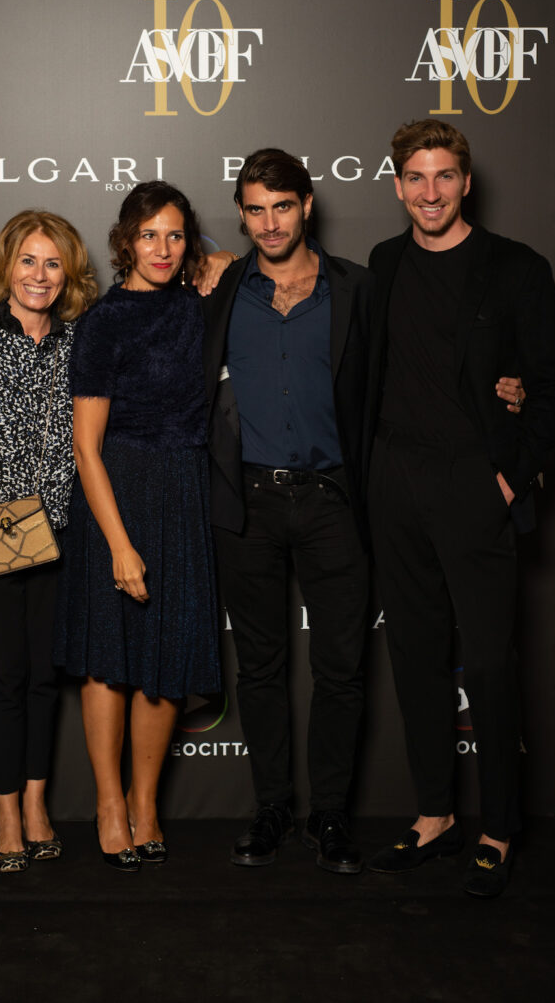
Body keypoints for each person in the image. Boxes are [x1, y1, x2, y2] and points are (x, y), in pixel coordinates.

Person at [366, 119, 555, 897]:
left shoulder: (516, 267)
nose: (431, 192)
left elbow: (552, 387)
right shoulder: (384, 263)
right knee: (416, 656)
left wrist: (509, 478)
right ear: (397, 186)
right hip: (396, 480)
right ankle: (435, 815)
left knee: (486, 663)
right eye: (416, 177)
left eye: (444, 175)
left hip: (473, 483)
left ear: (466, 182)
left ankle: (499, 826)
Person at [201, 148, 373, 873]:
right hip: (248, 501)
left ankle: (330, 813)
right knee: (261, 667)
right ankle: (271, 806)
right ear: (241, 216)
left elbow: (414, 371)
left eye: (282, 206)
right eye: (255, 209)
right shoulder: (218, 288)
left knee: (341, 667)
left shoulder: (357, 288)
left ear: (306, 205)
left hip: (334, 497)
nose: (270, 223)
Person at [55, 182, 223, 872]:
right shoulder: (104, 321)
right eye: (149, 234)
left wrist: (218, 262)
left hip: (183, 491)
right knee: (110, 654)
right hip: (115, 492)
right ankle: (108, 803)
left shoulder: (198, 305)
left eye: (176, 235)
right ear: (126, 240)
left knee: (168, 653)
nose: (163, 248)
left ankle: (145, 803)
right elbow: (85, 447)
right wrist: (119, 545)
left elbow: (262, 260)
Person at [0, 210, 97, 872]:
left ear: (70, 273)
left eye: (53, 262)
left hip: (66, 526)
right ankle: (5, 809)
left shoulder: (82, 340)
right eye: (28, 260)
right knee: (3, 675)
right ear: (6, 265)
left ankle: (36, 802)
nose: (39, 275)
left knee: (44, 675)